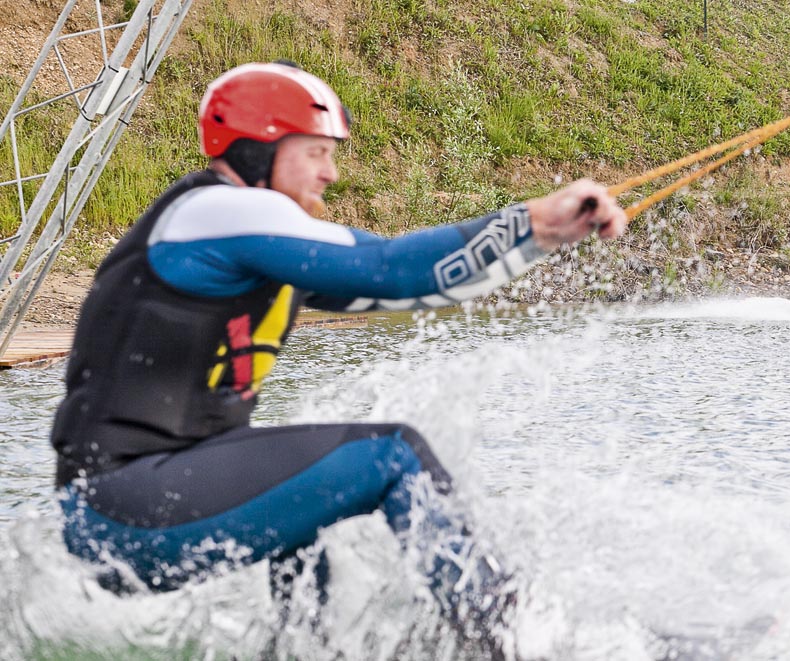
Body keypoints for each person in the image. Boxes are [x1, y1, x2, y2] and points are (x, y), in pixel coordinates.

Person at [50, 61, 627, 654]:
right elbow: (391, 268)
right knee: (392, 454)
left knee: (308, 495)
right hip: (125, 507)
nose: (330, 174)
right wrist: (529, 217)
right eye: (316, 153)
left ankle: (306, 649)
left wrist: (544, 236)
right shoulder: (218, 212)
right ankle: (505, 642)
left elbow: (421, 287)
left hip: (131, 509)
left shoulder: (258, 238)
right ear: (256, 151)